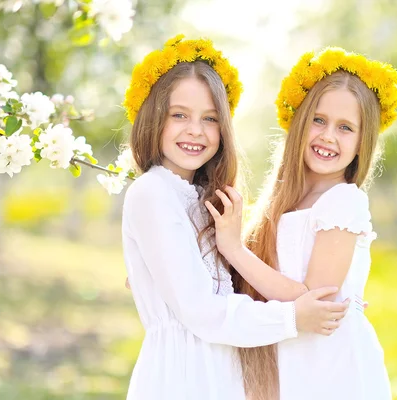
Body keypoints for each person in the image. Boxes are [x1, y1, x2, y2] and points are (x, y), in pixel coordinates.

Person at [121, 35, 351, 400]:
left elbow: (219, 289)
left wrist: (339, 301)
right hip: (182, 379)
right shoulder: (152, 193)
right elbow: (200, 311)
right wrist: (292, 318)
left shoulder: (203, 199)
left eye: (210, 118)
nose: (195, 129)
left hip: (220, 373)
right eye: (179, 115)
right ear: (153, 118)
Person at [206, 47, 397, 399]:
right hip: (290, 353)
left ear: (362, 142)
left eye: (345, 128)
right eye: (319, 120)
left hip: (331, 364)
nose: (328, 136)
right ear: (300, 122)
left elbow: (315, 300)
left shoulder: (344, 199)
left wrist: (234, 249)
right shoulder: (281, 202)